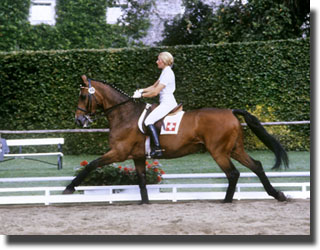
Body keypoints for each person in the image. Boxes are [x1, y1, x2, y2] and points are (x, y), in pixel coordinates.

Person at [133, 51, 178, 157]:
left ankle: (157, 149)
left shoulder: (167, 73)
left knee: (148, 121)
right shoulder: (165, 71)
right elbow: (153, 86)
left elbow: (155, 92)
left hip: (168, 103)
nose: (156, 62)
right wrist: (141, 90)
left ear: (164, 61)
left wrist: (141, 96)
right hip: (165, 102)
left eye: (158, 60)